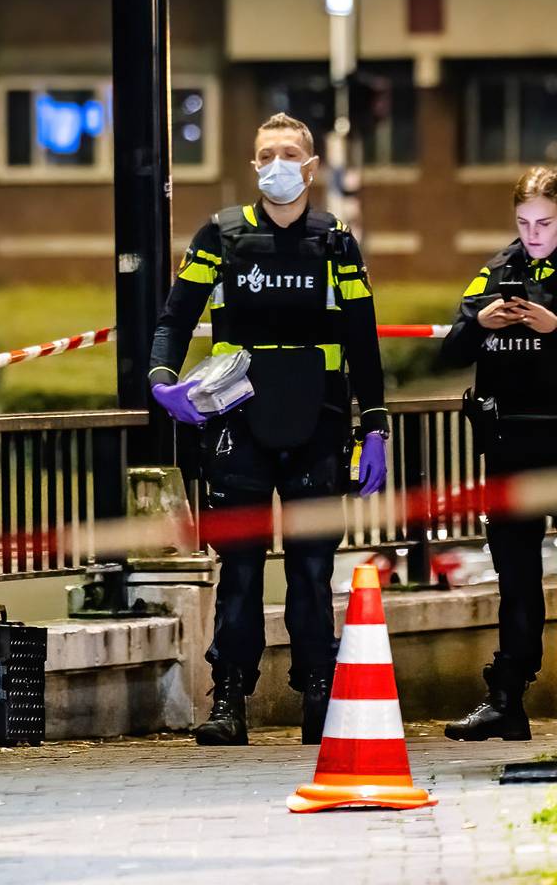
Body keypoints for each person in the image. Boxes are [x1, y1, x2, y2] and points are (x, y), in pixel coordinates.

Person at [148, 112, 389, 747]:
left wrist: (377, 427)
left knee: (312, 569)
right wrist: (162, 379)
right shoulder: (220, 235)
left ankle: (318, 694)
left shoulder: (335, 240)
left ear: (310, 166)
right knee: (241, 568)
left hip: (320, 422)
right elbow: (176, 317)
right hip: (238, 424)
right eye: (265, 154)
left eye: (289, 153)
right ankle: (229, 698)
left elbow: (363, 341)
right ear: (253, 165)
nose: (276, 164)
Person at [442, 165, 557, 742]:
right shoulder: (497, 270)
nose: (533, 234)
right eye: (524, 223)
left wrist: (555, 325)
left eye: (545, 222)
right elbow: (450, 350)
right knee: (516, 577)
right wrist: (481, 321)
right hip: (510, 444)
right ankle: (507, 700)